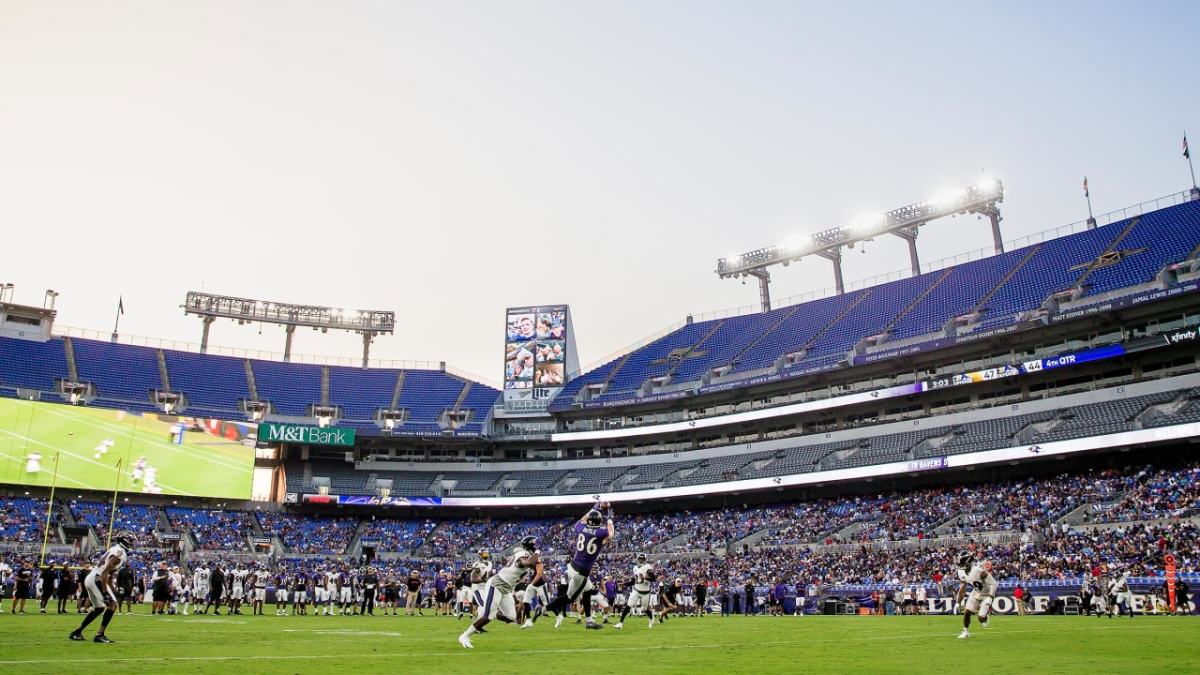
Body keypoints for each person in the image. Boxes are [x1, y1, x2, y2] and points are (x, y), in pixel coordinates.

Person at [458, 536, 539, 649]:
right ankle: (465, 636)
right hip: (497, 584)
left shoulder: (522, 553)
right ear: (532, 545)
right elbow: (528, 563)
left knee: (511, 617)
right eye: (536, 545)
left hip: (506, 588)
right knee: (487, 617)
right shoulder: (524, 554)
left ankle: (492, 612)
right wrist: (537, 552)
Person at [546, 501, 614, 630]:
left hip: (573, 566)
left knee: (588, 592)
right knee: (570, 598)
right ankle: (546, 607)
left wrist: (594, 508)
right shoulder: (600, 533)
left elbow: (583, 519)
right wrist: (609, 518)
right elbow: (610, 534)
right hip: (581, 572)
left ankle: (589, 621)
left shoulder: (580, 527)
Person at [70, 531, 137, 643]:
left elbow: (109, 575)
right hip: (98, 578)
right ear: (125, 541)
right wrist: (105, 592)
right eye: (131, 541)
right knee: (112, 605)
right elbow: (105, 571)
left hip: (93, 577)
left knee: (100, 608)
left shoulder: (115, 549)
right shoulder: (120, 552)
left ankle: (77, 632)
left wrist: (112, 589)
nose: (132, 544)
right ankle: (99, 635)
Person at [957, 553, 997, 639]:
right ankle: (965, 632)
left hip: (987, 594)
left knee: (981, 619)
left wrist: (990, 597)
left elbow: (994, 584)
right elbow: (962, 588)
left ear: (968, 562)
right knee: (967, 612)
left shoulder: (978, 571)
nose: (960, 565)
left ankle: (985, 617)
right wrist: (958, 602)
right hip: (976, 591)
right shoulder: (960, 572)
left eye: (962, 562)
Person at [615, 553, 655, 629]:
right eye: (640, 558)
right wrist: (625, 584)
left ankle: (651, 618)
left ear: (645, 559)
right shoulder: (635, 568)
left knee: (645, 609)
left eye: (642, 559)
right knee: (628, 606)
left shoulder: (648, 567)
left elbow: (653, 579)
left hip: (645, 592)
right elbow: (634, 581)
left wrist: (645, 578)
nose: (641, 560)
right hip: (636, 590)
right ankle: (620, 623)